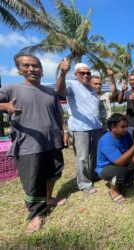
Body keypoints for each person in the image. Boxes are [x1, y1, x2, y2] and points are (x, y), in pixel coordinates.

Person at [0, 53, 66, 234]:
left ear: (41, 69)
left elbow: (59, 114)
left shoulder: (50, 92)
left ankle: (49, 197)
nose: (31, 69)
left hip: (52, 141)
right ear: (19, 69)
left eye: (35, 66)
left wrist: (64, 132)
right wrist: (5, 107)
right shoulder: (11, 88)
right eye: (26, 65)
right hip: (28, 142)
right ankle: (36, 214)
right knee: (32, 180)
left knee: (55, 172)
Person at [56, 59, 104, 194]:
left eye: (88, 73)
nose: (85, 75)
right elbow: (60, 90)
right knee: (82, 157)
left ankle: (94, 175)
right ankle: (84, 184)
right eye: (82, 73)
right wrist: (62, 73)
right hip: (79, 128)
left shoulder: (92, 89)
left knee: (95, 154)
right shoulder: (71, 84)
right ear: (75, 74)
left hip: (96, 127)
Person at [96, 113, 134, 203]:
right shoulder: (106, 141)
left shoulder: (126, 135)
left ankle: (126, 181)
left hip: (120, 161)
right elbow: (119, 162)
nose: (126, 129)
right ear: (113, 127)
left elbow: (130, 149)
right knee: (121, 171)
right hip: (105, 168)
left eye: (126, 126)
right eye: (123, 127)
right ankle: (114, 190)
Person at [118, 73, 134, 138]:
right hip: (130, 121)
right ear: (129, 82)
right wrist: (122, 91)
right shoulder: (127, 92)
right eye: (131, 80)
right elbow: (120, 101)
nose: (133, 81)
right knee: (130, 142)